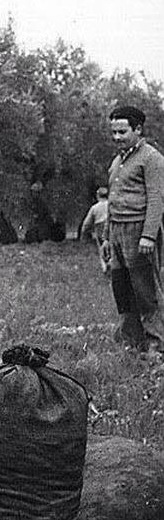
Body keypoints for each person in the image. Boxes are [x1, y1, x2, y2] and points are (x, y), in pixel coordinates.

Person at [101, 105, 164, 353]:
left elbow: (158, 199)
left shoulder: (152, 159)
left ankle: (156, 346)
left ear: (138, 129)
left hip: (139, 232)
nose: (117, 138)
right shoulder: (118, 160)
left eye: (122, 132)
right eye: (113, 132)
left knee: (145, 289)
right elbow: (112, 201)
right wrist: (107, 237)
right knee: (122, 288)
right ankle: (132, 341)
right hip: (117, 231)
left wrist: (148, 236)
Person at [80, 187, 110, 273]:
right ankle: (111, 262)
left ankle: (105, 265)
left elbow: (87, 222)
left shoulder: (94, 207)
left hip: (99, 227)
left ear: (98, 196)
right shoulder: (110, 205)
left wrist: (84, 231)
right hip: (110, 226)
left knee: (101, 246)